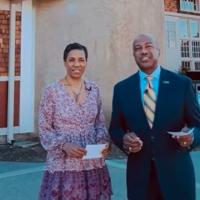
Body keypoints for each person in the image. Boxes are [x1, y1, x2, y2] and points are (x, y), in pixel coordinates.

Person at [109, 33, 200, 200]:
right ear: (134, 55)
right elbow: (115, 128)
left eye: (148, 46)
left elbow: (197, 124)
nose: (143, 51)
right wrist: (124, 139)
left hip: (177, 176)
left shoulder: (182, 84)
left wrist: (191, 136)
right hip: (140, 178)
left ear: (158, 50)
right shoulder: (122, 88)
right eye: (138, 48)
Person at [38, 43, 112, 200]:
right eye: (71, 60)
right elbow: (44, 129)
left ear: (86, 62)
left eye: (81, 60)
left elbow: (99, 123)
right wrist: (63, 145)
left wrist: (103, 143)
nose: (76, 64)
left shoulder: (94, 89)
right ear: (65, 62)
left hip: (92, 162)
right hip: (63, 164)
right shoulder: (52, 91)